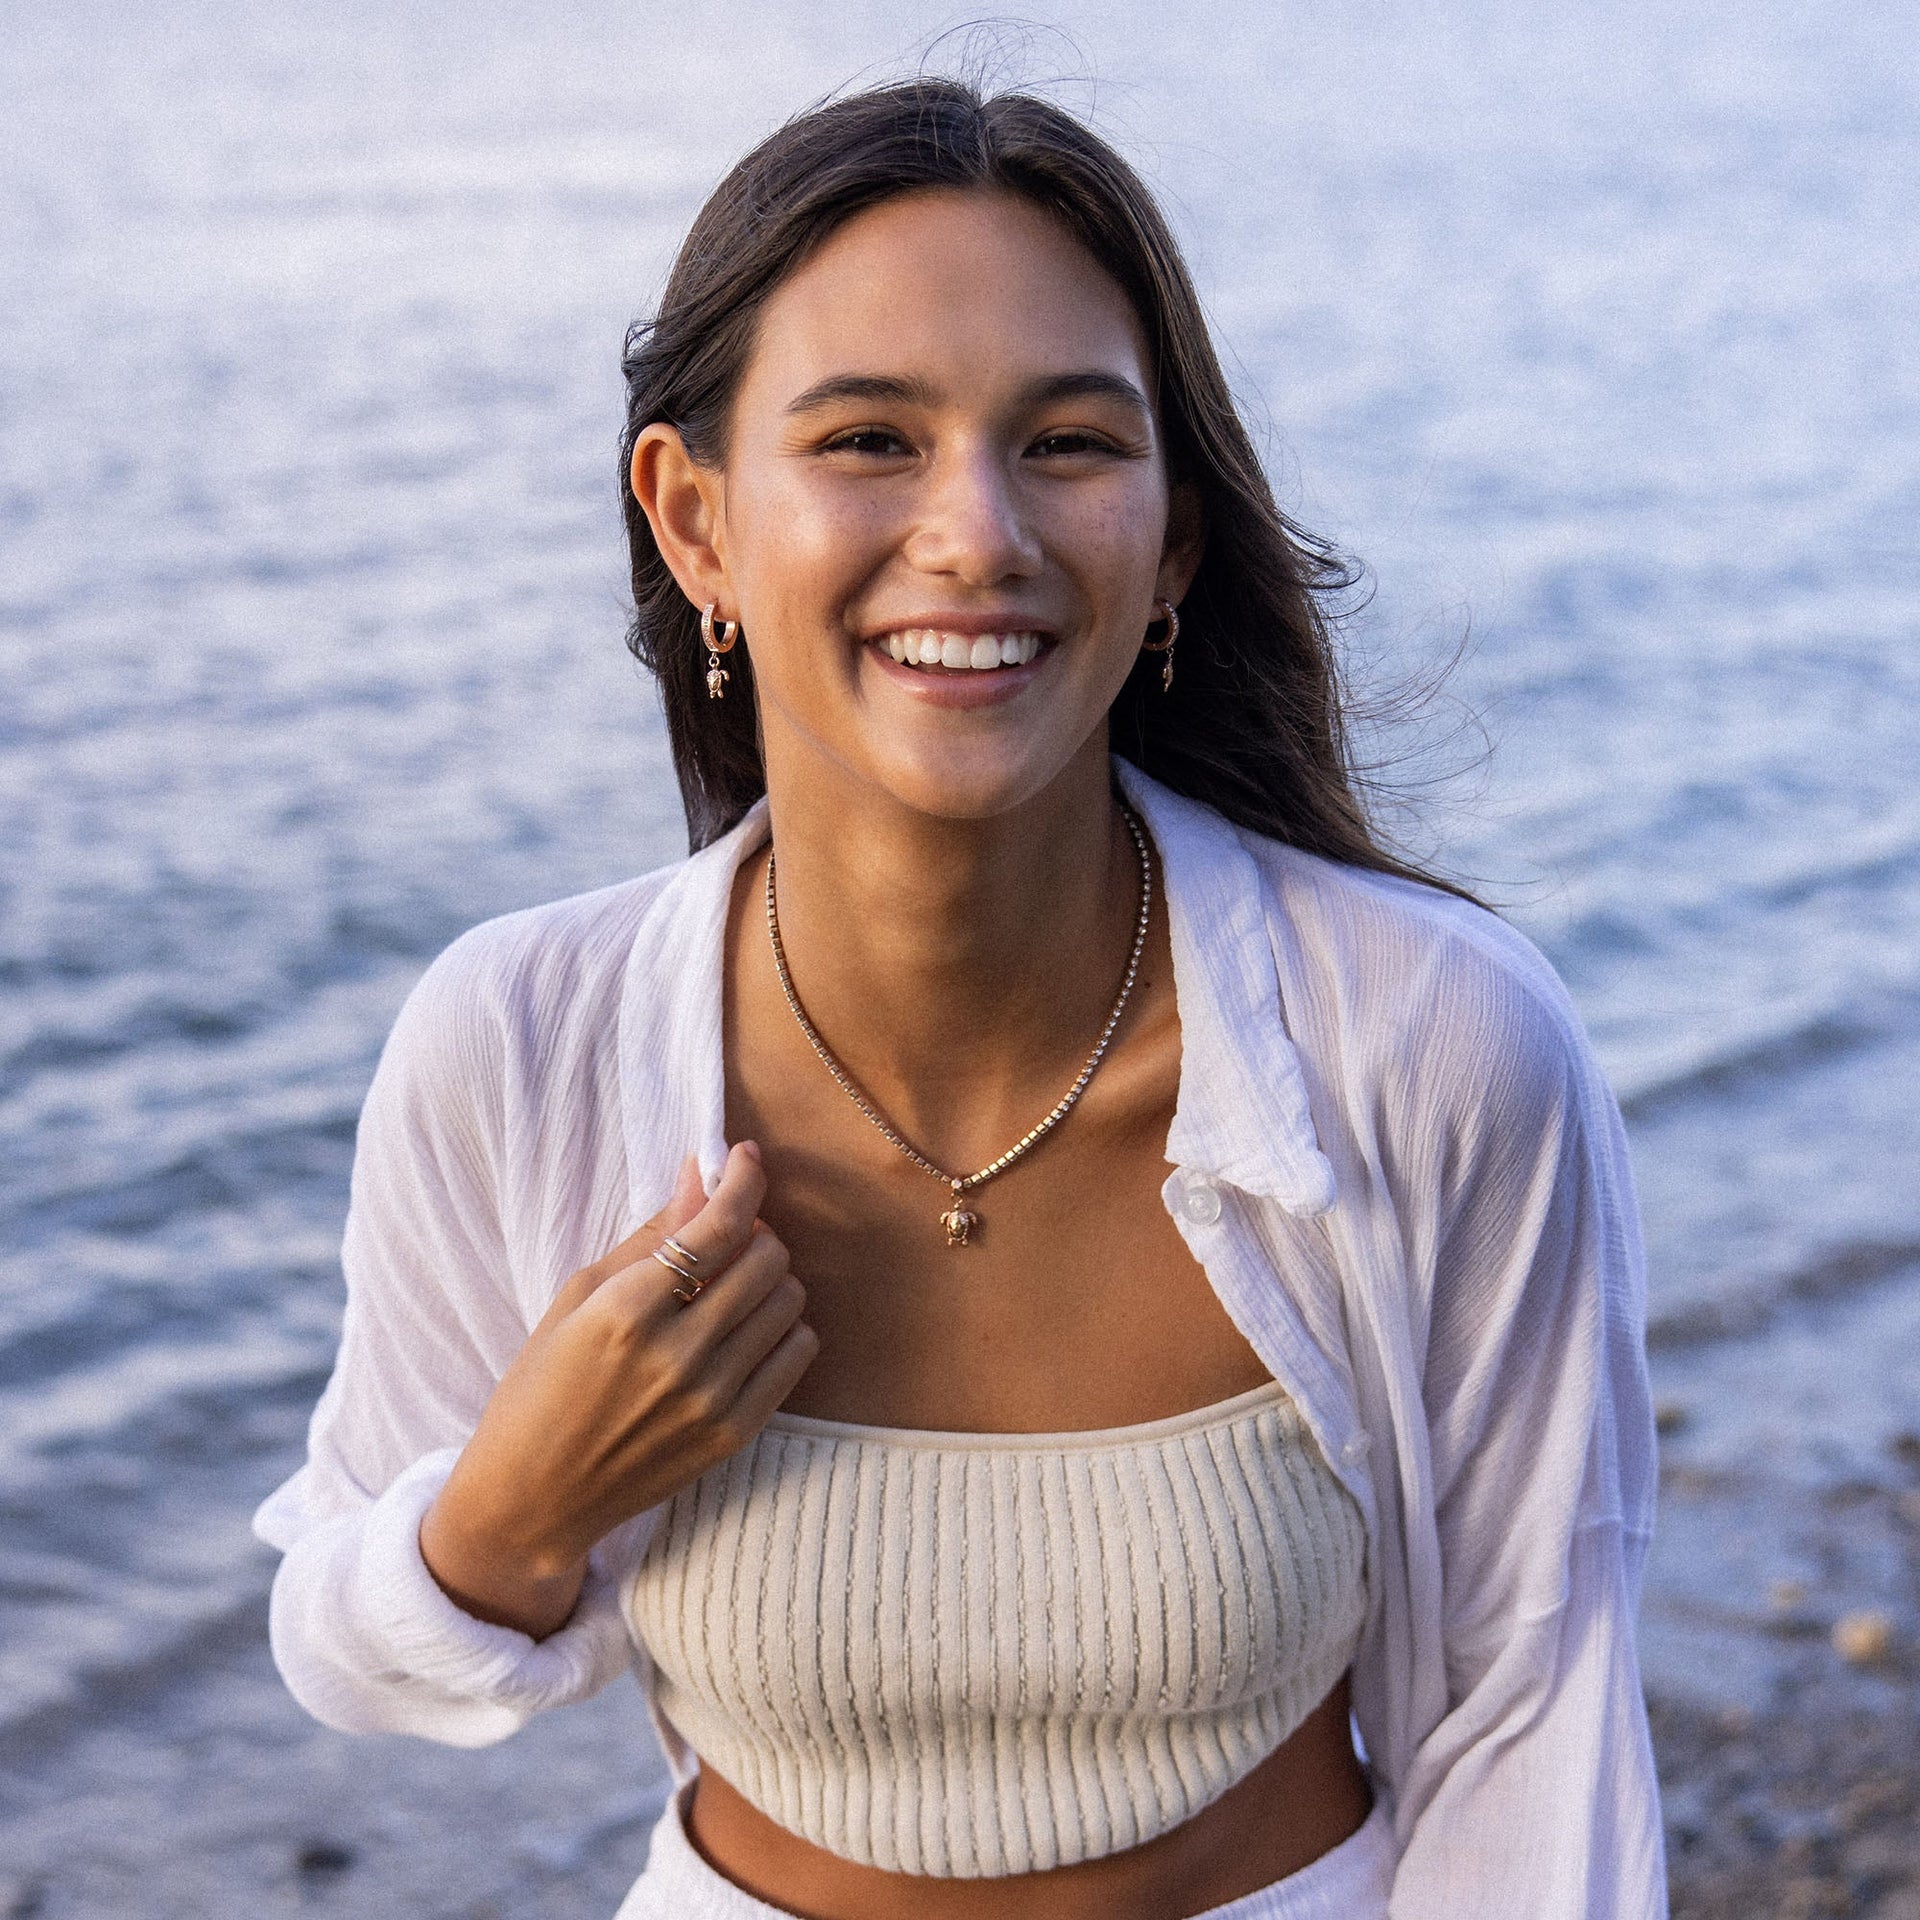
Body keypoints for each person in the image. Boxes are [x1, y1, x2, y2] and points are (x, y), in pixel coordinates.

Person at [254, 78, 1666, 1920]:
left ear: (1170, 545)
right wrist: (508, 1514)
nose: (976, 532)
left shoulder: (1429, 1046)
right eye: (868, 439)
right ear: (695, 522)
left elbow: (1536, 1720)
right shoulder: (523, 1043)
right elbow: (343, 1648)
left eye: (1068, 442)